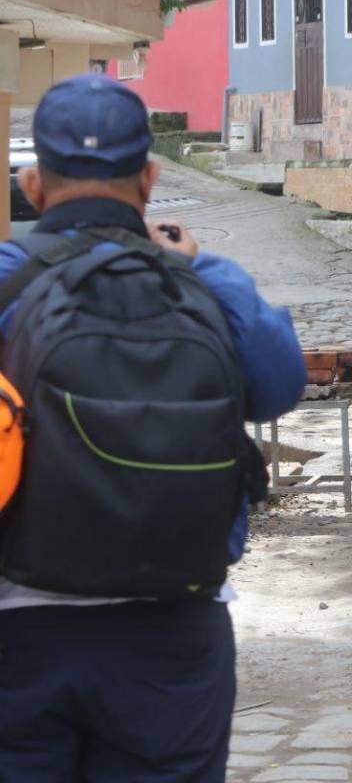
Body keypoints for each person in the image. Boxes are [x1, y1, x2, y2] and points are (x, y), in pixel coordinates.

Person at [0, 75, 305, 782]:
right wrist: (201, 269)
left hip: (16, 632)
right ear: (150, 176)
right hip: (172, 634)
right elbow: (278, 385)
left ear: (33, 182)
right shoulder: (202, 282)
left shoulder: (10, 282)